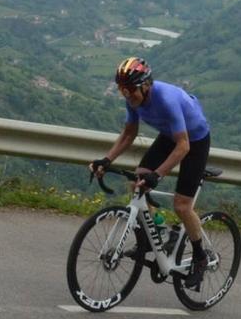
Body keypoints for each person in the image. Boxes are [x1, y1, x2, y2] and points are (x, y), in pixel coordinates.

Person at [90, 56, 214, 287]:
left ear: (145, 85)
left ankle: (200, 257)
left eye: (131, 91)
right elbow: (128, 134)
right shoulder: (132, 98)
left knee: (182, 206)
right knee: (138, 180)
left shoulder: (165, 99)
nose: (128, 96)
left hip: (194, 140)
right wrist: (106, 159)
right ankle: (157, 230)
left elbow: (184, 146)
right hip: (169, 136)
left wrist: (157, 175)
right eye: (123, 91)